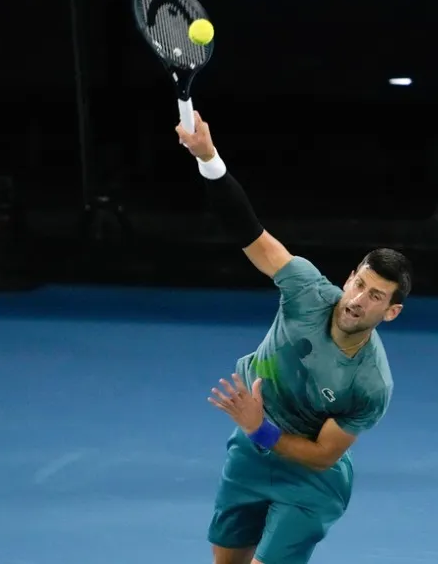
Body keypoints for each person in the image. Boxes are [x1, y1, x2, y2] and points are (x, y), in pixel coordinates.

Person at [176, 111, 412, 563]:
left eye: (375, 296)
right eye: (359, 284)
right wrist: (208, 158)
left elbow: (323, 455)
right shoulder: (305, 288)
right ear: (349, 277)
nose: (358, 299)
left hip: (310, 481)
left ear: (391, 312)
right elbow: (249, 231)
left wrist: (259, 428)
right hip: (249, 452)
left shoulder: (371, 383)